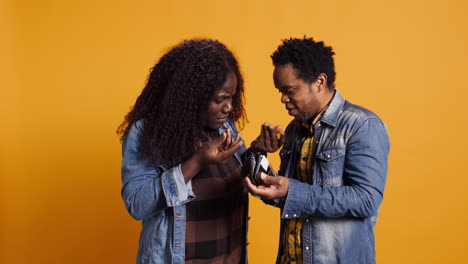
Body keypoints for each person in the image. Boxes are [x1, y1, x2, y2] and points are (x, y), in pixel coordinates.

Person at [245, 37, 390, 264]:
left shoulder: (362, 125)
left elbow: (366, 200)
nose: (283, 99)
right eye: (280, 91)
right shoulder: (295, 129)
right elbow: (285, 197)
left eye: (290, 90)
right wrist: (258, 153)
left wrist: (292, 190)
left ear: (319, 81)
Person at [117, 39, 249, 264]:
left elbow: (243, 179)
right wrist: (196, 162)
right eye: (220, 99)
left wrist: (257, 154)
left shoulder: (225, 126)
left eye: (231, 97)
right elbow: (137, 204)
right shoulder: (148, 133)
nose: (228, 107)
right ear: (192, 97)